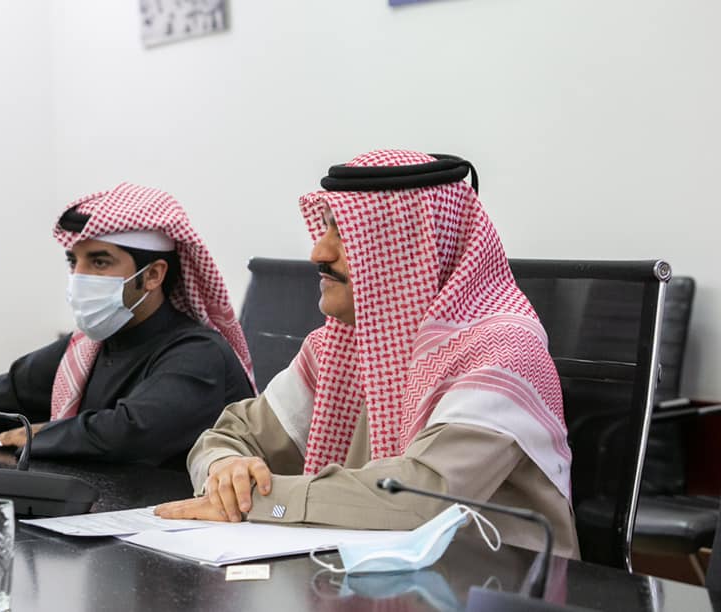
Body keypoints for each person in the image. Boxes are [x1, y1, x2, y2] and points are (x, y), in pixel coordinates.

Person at [156, 150, 579, 558]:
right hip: (370, 576)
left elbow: (418, 499)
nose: (319, 253)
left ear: (408, 246)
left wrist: (257, 499)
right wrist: (224, 470)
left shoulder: (503, 350)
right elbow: (230, 436)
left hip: (497, 585)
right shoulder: (335, 347)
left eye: (344, 234)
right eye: (325, 230)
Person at [0, 183, 255, 467]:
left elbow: (130, 431)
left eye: (100, 263)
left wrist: (38, 434)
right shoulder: (89, 347)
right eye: (74, 262)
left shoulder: (198, 352)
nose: (79, 277)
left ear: (152, 275)